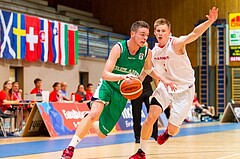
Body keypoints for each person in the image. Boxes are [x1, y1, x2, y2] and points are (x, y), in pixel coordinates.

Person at [60, 20, 176, 159]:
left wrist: (164, 80)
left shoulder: (146, 52)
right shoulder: (119, 48)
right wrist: (123, 76)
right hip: (108, 85)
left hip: (122, 93)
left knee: (102, 134)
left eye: (147, 35)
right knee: (94, 113)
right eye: (142, 34)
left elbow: (149, 69)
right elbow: (105, 74)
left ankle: (90, 120)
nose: (145, 38)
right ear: (132, 34)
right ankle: (70, 148)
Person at [130, 7, 218, 159]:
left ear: (169, 32)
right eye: (157, 31)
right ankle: (141, 152)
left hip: (184, 90)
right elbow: (146, 70)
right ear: (155, 33)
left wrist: (209, 21)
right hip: (165, 88)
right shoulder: (154, 52)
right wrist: (137, 81)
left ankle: (168, 133)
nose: (160, 33)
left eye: (163, 31)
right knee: (150, 118)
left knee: (173, 129)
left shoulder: (176, 44)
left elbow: (194, 34)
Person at [131, 74, 158, 143]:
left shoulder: (149, 63)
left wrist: (158, 89)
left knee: (153, 112)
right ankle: (137, 136)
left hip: (148, 89)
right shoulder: (133, 64)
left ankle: (155, 134)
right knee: (136, 115)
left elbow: (155, 77)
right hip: (135, 89)